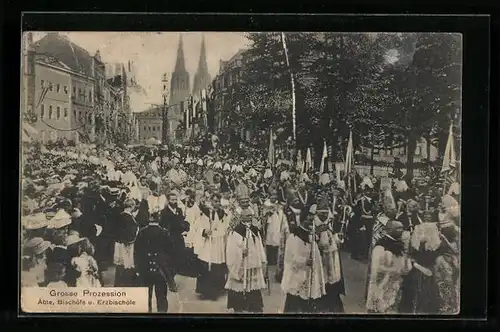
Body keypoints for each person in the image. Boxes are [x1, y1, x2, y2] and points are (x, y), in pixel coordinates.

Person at [225, 208, 267, 313]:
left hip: (253, 263)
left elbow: (259, 246)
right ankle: (238, 307)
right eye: (247, 216)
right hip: (240, 265)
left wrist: (262, 259)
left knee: (253, 287)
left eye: (251, 215)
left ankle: (255, 306)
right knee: (239, 287)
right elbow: (230, 249)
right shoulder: (236, 231)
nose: (250, 217)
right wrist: (240, 252)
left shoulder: (255, 230)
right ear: (241, 217)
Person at [366, 219, 412, 313]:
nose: (402, 230)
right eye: (399, 228)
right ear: (389, 229)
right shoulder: (381, 246)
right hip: (383, 285)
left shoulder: (400, 244)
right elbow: (377, 269)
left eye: (402, 228)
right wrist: (397, 270)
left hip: (395, 284)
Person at [134, 212, 176, 313]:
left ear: (149, 219)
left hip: (145, 269)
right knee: (161, 297)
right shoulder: (165, 232)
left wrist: (138, 268)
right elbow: (171, 253)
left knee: (145, 298)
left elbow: (137, 252)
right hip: (161, 269)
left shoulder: (142, 232)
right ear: (159, 219)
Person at [194, 193, 229, 300]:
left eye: (218, 201)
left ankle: (215, 292)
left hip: (218, 243)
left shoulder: (223, 213)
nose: (216, 203)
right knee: (206, 266)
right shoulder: (205, 213)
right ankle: (205, 291)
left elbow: (226, 226)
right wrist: (204, 231)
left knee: (216, 267)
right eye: (214, 201)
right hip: (208, 242)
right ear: (211, 201)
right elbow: (197, 225)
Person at [160, 191, 190, 280]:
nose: (174, 201)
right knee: (170, 258)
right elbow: (163, 225)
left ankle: (172, 275)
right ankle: (169, 278)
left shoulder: (179, 210)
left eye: (175, 199)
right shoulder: (164, 212)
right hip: (169, 238)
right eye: (172, 200)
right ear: (168, 200)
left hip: (178, 238)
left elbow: (181, 222)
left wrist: (184, 226)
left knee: (178, 257)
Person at [113, 199, 139, 287]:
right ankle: (127, 283)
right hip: (126, 244)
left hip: (119, 243)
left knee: (121, 265)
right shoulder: (127, 217)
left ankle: (119, 282)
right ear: (131, 206)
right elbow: (130, 231)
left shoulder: (120, 215)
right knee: (126, 264)